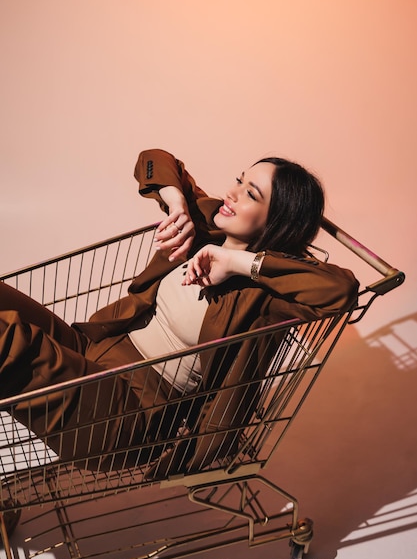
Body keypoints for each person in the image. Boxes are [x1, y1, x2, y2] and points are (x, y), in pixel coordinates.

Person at [0, 149, 359, 475]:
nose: (233, 193)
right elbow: (153, 159)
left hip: (128, 414)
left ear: (278, 221)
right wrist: (177, 205)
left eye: (252, 194)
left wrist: (235, 262)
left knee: (6, 339)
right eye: (240, 180)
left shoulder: (266, 295)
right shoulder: (207, 223)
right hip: (91, 349)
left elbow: (341, 291)